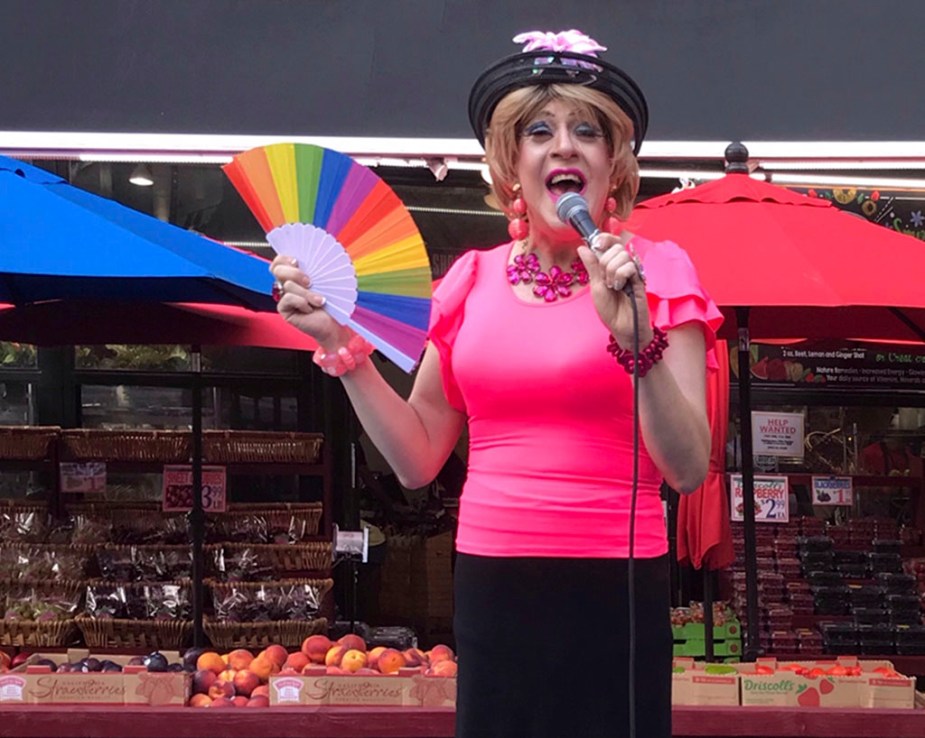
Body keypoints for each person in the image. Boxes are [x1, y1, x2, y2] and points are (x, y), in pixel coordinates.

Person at [270, 28, 722, 738]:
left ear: (613, 163)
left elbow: (688, 467)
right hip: (490, 574)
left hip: (614, 576)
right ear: (513, 163)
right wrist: (342, 347)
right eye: (538, 130)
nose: (563, 145)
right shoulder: (469, 281)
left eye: (586, 130)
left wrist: (636, 340)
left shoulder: (658, 275)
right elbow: (418, 459)